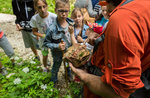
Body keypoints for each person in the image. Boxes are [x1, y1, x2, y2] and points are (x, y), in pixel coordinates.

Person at [69, 0, 150, 98]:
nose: (106, 11)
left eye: (106, 5)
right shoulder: (142, 5)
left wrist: (85, 77)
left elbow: (121, 93)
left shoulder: (121, 20)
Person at [43, 0, 76, 84]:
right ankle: (53, 81)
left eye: (66, 11)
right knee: (56, 67)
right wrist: (57, 46)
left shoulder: (71, 23)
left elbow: (72, 37)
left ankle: (68, 75)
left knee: (68, 65)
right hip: (57, 53)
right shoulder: (51, 28)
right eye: (61, 11)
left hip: (68, 52)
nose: (64, 14)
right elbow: (46, 43)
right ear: (55, 10)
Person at [30, 0, 57, 72]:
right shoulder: (35, 19)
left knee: (55, 55)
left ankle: (56, 67)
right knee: (45, 55)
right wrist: (42, 35)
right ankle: (45, 67)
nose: (42, 10)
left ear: (47, 6)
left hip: (53, 40)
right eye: (39, 7)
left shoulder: (53, 17)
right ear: (36, 8)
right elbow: (34, 31)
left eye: (44, 7)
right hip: (43, 41)